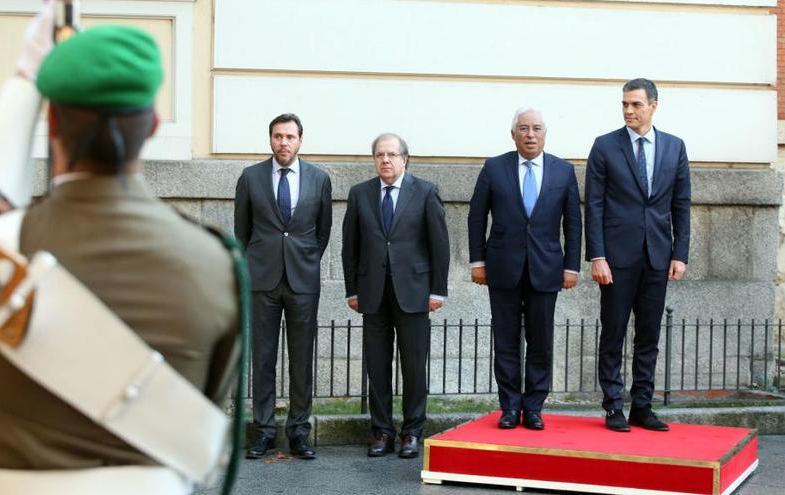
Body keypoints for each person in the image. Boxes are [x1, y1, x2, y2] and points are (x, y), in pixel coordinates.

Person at [0, 5, 241, 494]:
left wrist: (25, 80)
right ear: (153, 126)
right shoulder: (218, 264)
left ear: (53, 123)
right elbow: (207, 408)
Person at [585, 78, 691, 432]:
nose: (629, 110)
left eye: (636, 105)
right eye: (624, 104)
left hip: (658, 256)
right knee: (613, 333)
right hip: (615, 259)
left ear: (653, 106)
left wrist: (681, 253)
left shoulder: (675, 147)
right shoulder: (604, 146)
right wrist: (596, 255)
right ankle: (613, 406)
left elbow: (681, 204)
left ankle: (642, 406)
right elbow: (594, 206)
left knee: (649, 335)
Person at [467, 108, 582, 431]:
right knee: (505, 341)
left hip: (546, 270)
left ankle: (533, 407)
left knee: (540, 342)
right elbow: (477, 217)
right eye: (523, 128)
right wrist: (478, 262)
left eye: (536, 128)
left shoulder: (563, 171)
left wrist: (571, 266)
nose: (530, 134)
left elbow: (573, 223)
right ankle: (509, 407)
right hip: (502, 269)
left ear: (545, 133)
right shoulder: (494, 167)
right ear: (513, 134)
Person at [342, 133, 449, 459]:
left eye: (391, 154)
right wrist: (353, 289)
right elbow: (351, 245)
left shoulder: (425, 191)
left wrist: (437, 290)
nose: (385, 160)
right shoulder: (360, 194)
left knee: (415, 366)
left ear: (405, 159)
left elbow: (439, 245)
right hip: (372, 294)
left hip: (414, 294)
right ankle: (382, 431)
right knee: (377, 367)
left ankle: (412, 432)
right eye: (379, 155)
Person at [235, 113, 332, 460]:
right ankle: (263, 431)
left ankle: (299, 432)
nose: (283, 143)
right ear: (270, 140)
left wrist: (304, 259)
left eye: (290, 137)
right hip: (263, 280)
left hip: (303, 281)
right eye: (278, 136)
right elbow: (241, 232)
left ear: (300, 141)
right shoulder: (250, 178)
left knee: (302, 360)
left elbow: (322, 232)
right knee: (262, 359)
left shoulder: (319, 180)